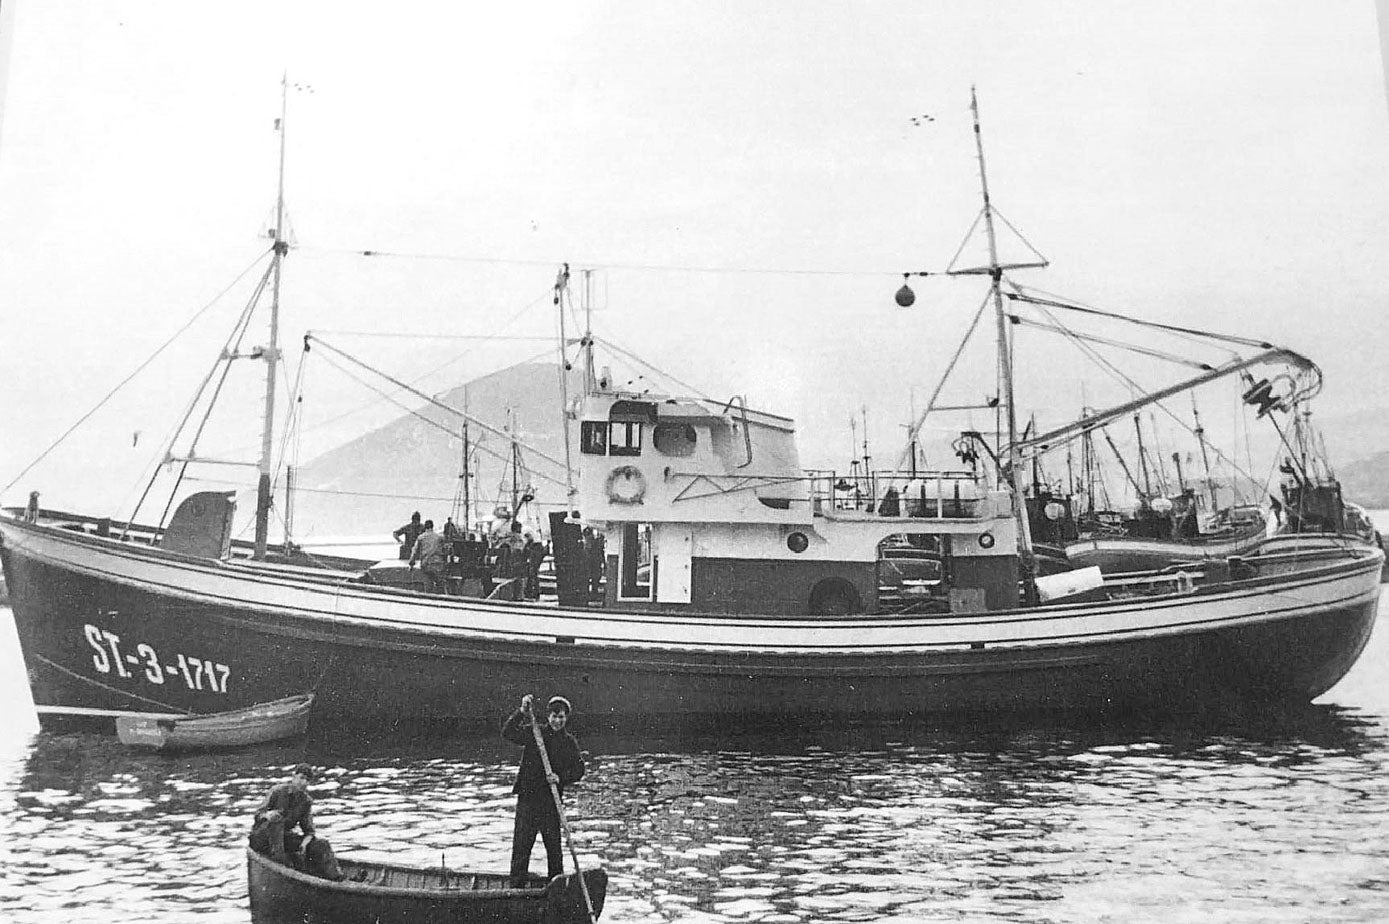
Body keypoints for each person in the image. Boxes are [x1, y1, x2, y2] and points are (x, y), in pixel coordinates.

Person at [502, 694, 585, 887]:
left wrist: (560, 778)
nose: (557, 721)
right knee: (522, 848)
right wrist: (521, 712)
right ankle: (516, 888)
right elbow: (508, 733)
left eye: (562, 717)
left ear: (566, 718)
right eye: (554, 716)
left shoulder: (569, 742)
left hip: (551, 803)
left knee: (554, 850)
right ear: (548, 716)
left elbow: (579, 770)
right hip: (528, 801)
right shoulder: (535, 733)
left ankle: (556, 889)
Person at [248, 763, 343, 880]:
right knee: (276, 821)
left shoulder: (306, 801)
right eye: (301, 778)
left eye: (307, 780)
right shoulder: (277, 791)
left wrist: (305, 842)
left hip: (283, 838)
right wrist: (267, 815)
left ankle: (337, 878)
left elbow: (309, 830)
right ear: (294, 776)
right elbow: (258, 814)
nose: (304, 783)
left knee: (321, 844)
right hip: (263, 837)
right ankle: (284, 862)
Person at [409, 519, 447, 593]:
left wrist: (411, 563)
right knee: (441, 585)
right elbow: (446, 550)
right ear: (432, 527)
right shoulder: (440, 537)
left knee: (428, 586)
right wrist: (445, 562)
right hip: (438, 565)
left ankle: (429, 599)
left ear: (425, 527)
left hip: (426, 565)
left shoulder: (420, 537)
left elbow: (414, 551)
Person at [523, 533, 547, 600]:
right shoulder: (533, 545)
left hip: (533, 563)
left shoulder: (533, 546)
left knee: (532, 575)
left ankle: (532, 592)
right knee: (533, 575)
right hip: (533, 563)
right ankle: (533, 592)